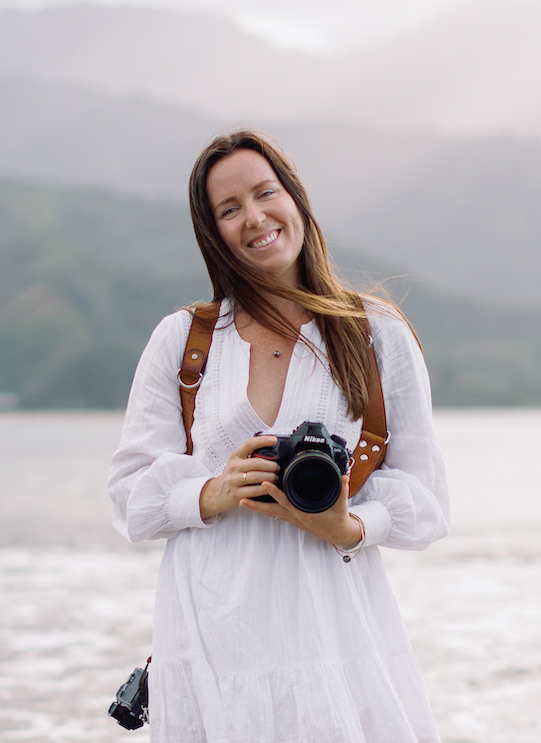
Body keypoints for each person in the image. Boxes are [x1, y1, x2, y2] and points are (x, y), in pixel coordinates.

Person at [108, 129, 450, 743]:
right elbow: (128, 498)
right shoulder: (183, 341)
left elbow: (427, 502)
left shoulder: (375, 332)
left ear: (295, 198)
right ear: (212, 232)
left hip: (333, 627)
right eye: (229, 209)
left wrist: (349, 525)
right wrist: (211, 492)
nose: (255, 218)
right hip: (211, 630)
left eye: (266, 193)